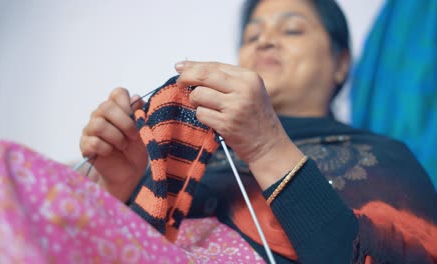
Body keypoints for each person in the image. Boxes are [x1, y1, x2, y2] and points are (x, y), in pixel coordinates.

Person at [79, 0, 437, 263]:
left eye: (292, 29)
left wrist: (267, 148)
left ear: (341, 63)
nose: (264, 42)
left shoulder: (385, 155)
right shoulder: (188, 153)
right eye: (252, 36)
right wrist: (118, 187)